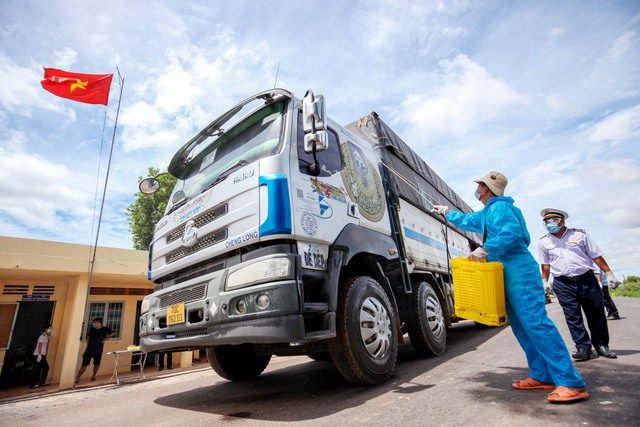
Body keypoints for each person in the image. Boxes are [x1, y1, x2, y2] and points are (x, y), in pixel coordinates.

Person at [433, 171, 588, 403]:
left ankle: (570, 382)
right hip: (506, 271)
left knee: (536, 325)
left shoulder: (500, 208)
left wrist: (486, 248)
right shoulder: (489, 211)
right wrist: (447, 212)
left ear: (486, 188)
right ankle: (541, 374)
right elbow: (470, 221)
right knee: (522, 327)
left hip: (519, 270)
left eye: (479, 185)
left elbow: (511, 234)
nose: (476, 189)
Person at [538, 209, 621, 361]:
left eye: (552, 221)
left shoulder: (579, 235)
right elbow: (546, 264)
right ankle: (583, 347)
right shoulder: (544, 242)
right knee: (572, 316)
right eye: (546, 222)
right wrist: (544, 281)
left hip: (586, 279)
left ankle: (602, 345)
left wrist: (609, 273)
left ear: (561, 221)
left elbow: (596, 255)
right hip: (563, 283)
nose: (549, 224)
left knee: (596, 313)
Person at [75, 317, 115, 383]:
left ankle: (93, 375)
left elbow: (112, 333)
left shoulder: (104, 329)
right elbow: (88, 336)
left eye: (95, 323)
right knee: (84, 364)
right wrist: (88, 344)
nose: (94, 324)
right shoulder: (92, 329)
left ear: (99, 323)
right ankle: (77, 378)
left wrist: (105, 339)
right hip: (89, 349)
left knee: (96, 363)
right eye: (93, 323)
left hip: (98, 349)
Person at [30, 324, 52, 388]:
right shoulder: (42, 336)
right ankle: (32, 384)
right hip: (38, 354)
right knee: (36, 369)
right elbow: (40, 345)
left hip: (43, 355)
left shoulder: (46, 336)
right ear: (46, 329)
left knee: (46, 367)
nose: (51, 329)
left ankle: (42, 382)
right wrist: (39, 355)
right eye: (49, 328)